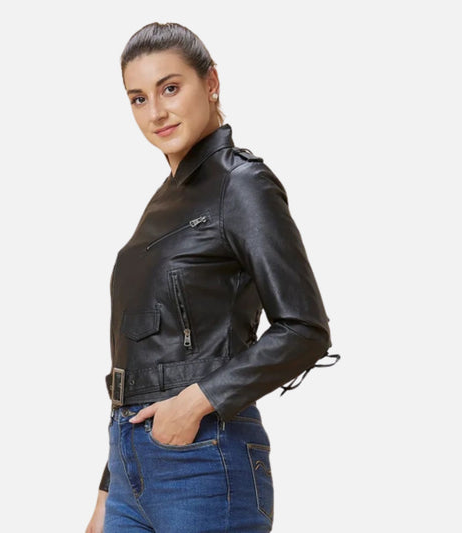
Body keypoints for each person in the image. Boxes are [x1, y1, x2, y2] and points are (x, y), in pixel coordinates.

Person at [85, 22, 340, 533]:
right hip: (131, 467)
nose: (155, 112)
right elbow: (140, 358)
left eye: (170, 88)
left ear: (211, 82)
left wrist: (194, 404)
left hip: (202, 460)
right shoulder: (163, 202)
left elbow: (304, 329)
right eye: (138, 98)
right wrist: (108, 489)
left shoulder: (242, 184)